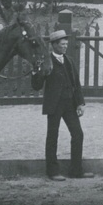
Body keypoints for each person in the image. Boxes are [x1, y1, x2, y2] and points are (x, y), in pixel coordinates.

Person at [31, 29, 93, 180]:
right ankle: (52, 172)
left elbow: (76, 84)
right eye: (62, 44)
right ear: (54, 45)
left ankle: (76, 170)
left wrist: (80, 103)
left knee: (78, 134)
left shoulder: (69, 60)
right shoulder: (46, 61)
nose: (65, 47)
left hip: (70, 104)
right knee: (53, 136)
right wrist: (36, 72)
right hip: (54, 105)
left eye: (66, 44)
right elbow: (37, 86)